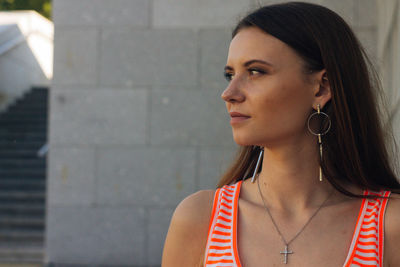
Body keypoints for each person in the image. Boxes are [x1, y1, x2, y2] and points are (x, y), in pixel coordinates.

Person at [162, 2, 400, 266]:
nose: (229, 94)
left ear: (321, 88)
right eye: (230, 74)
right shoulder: (200, 219)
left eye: (255, 71)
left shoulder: (389, 227)